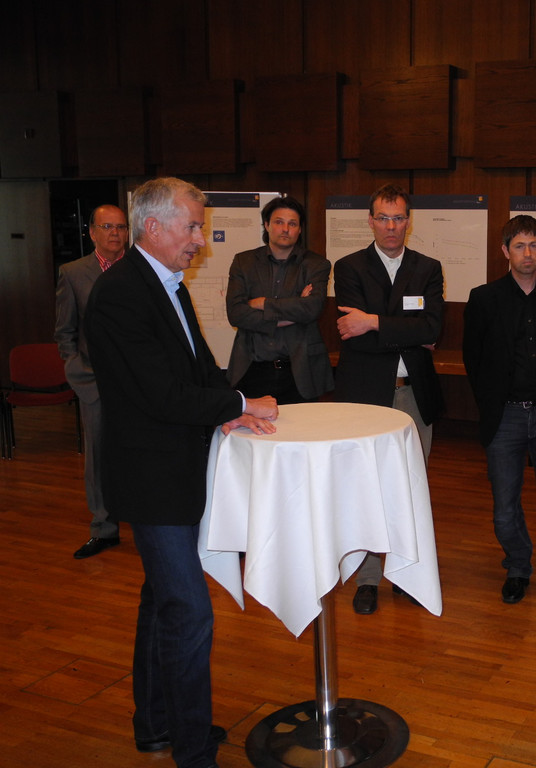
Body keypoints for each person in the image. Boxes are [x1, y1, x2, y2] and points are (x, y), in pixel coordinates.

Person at [85, 177, 278, 768]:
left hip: (177, 471)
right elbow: (162, 394)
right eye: (192, 226)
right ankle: (193, 753)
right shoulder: (122, 293)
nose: (200, 238)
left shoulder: (166, 284)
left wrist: (230, 407)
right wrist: (240, 404)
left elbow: (200, 369)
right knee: (189, 612)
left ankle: (154, 723)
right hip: (152, 481)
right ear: (154, 227)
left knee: (161, 603)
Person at [334, 184, 444, 616]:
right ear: (371, 221)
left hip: (415, 394)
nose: (391, 226)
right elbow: (352, 335)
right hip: (366, 396)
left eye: (398, 218)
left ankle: (406, 574)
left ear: (408, 222)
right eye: (383, 218)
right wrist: (406, 330)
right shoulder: (349, 267)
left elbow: (432, 328)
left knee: (411, 488)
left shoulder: (428, 268)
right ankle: (367, 578)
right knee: (365, 488)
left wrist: (375, 321)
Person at [463, 215, 536, 619]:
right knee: (504, 508)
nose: (527, 253)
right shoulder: (484, 298)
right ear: (505, 251)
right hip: (505, 418)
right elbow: (473, 359)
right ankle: (517, 567)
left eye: (534, 245)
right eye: (519, 246)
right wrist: (492, 404)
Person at [55, 204, 127, 559]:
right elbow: (64, 331)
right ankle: (104, 528)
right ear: (92, 232)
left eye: (121, 227)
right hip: (94, 382)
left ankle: (146, 520)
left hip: (139, 383)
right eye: (107, 226)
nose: (115, 233)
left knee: (140, 451)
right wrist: (75, 369)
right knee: (98, 457)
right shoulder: (73, 273)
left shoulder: (140, 268)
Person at [225, 196, 332, 404]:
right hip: (252, 370)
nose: (285, 229)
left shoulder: (317, 264)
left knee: (303, 426)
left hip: (300, 372)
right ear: (267, 225)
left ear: (299, 229)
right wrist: (292, 312)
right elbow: (236, 314)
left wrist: (261, 303)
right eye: (279, 222)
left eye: (292, 224)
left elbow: (312, 308)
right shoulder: (243, 262)